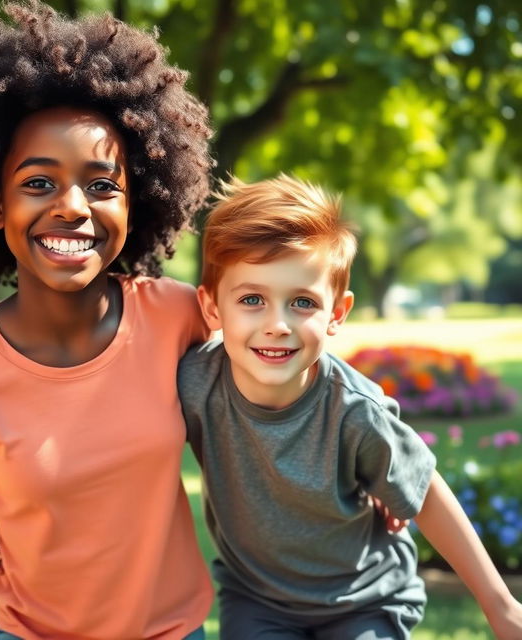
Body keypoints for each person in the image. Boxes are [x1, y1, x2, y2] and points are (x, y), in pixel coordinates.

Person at [0, 1, 216, 638]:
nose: (73, 207)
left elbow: (284, 391)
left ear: (137, 200)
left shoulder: (181, 316)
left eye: (102, 185)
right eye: (38, 183)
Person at [175, 174, 522, 639]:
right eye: (252, 299)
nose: (277, 324)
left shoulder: (355, 410)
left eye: (302, 302)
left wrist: (501, 608)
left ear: (336, 313)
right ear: (213, 308)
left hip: (365, 599)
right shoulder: (195, 385)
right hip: (258, 600)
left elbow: (426, 491)